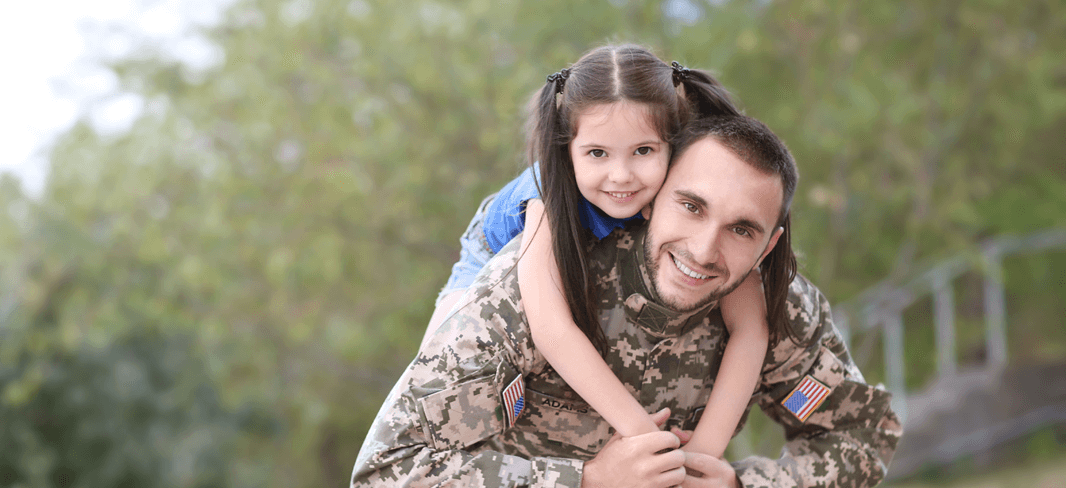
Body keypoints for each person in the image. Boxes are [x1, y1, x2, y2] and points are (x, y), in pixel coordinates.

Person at [352, 114, 902, 487]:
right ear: (648, 197)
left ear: (769, 246)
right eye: (691, 206)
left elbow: (864, 434)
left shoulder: (781, 313)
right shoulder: (532, 284)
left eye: (741, 230)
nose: (704, 250)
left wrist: (741, 483)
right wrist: (586, 481)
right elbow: (388, 470)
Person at [421, 44, 774, 461]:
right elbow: (552, 330)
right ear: (567, 150)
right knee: (437, 369)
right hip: (486, 260)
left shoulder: (692, 188)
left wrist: (704, 454)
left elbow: (751, 329)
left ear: (672, 145)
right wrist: (646, 438)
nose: (621, 175)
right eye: (597, 153)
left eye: (643, 151)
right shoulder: (547, 202)